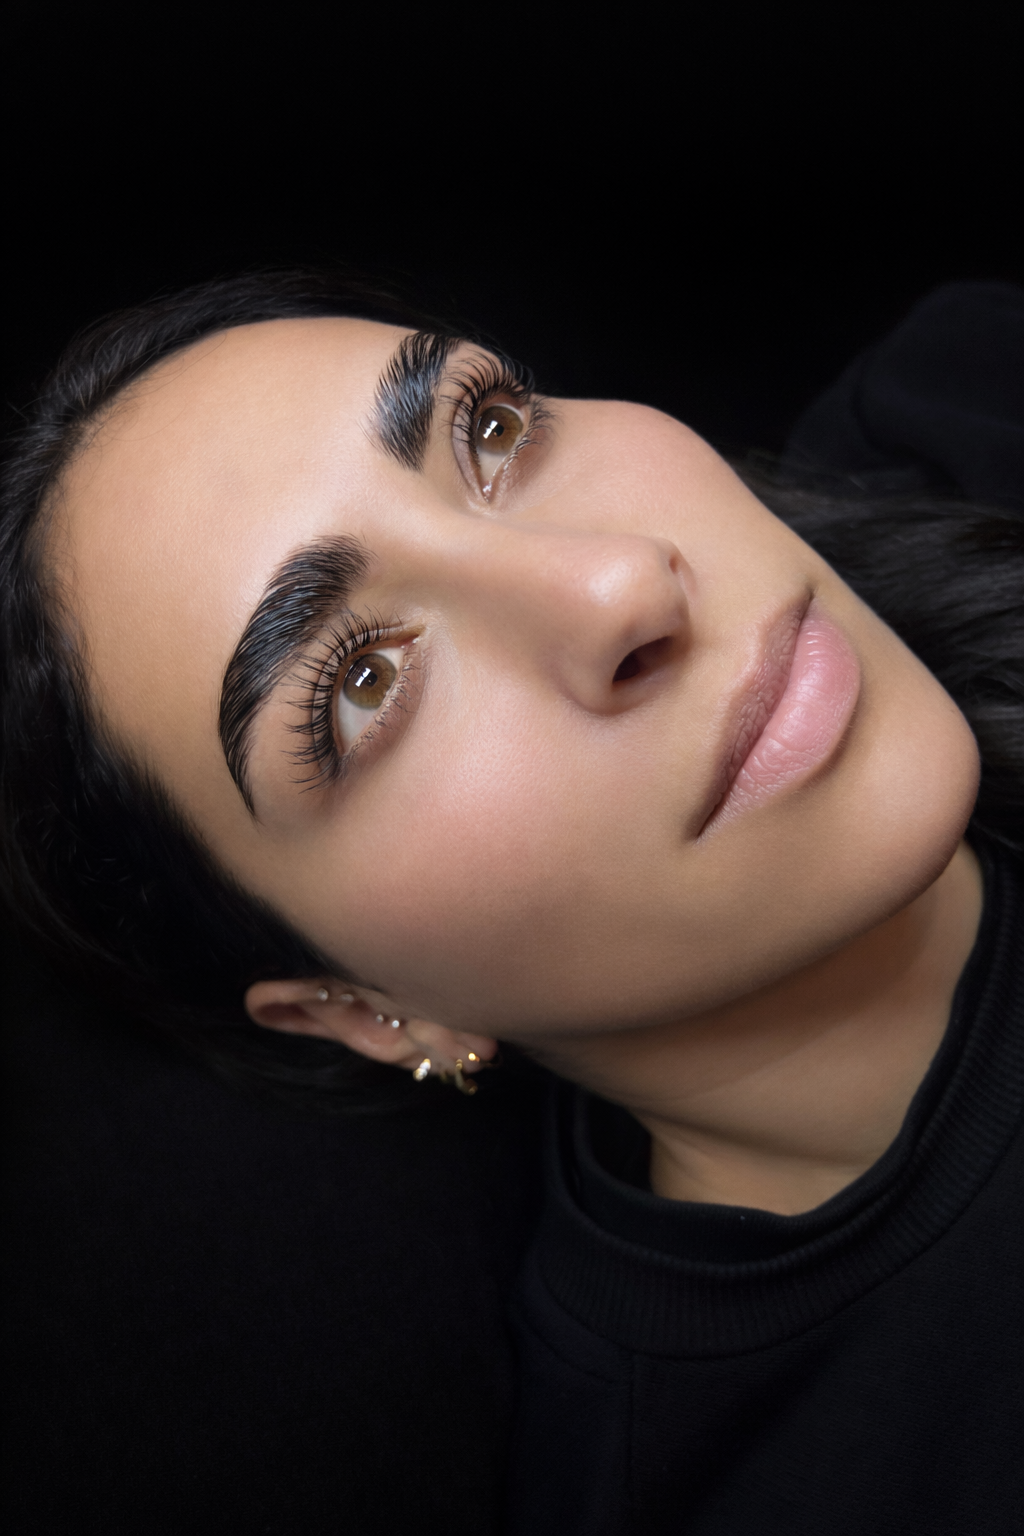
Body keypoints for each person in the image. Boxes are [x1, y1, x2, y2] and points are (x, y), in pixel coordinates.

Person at [1, 272, 1021, 1535]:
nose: (617, 586)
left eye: (488, 430)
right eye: (359, 682)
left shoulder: (969, 402)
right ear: (365, 1010)